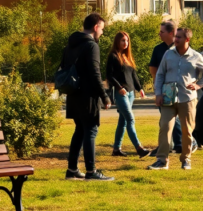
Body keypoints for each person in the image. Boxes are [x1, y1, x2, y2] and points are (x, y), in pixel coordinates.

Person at [148, 28, 203, 171]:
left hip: (187, 99)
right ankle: (162, 161)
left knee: (187, 130)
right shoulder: (168, 54)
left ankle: (186, 160)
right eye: (176, 36)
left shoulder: (195, 56)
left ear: (187, 39)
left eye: (179, 37)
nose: (176, 39)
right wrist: (158, 94)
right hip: (168, 98)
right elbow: (160, 75)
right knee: (165, 127)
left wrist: (198, 84)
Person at [64, 13, 114, 181]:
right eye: (102, 29)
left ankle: (72, 170)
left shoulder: (71, 44)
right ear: (95, 27)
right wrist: (105, 96)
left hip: (73, 94)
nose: (102, 32)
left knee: (80, 130)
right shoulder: (91, 46)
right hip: (88, 96)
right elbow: (95, 73)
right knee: (91, 130)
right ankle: (91, 172)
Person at [148, 20, 191, 156]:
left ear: (171, 32)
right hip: (165, 89)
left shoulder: (181, 47)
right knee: (166, 120)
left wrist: (197, 84)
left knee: (181, 120)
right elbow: (153, 69)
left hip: (182, 90)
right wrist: (158, 87)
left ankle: (183, 143)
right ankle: (169, 145)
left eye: (162, 32)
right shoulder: (159, 49)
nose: (159, 34)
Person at [106, 31, 150, 158]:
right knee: (130, 119)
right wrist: (119, 87)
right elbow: (109, 75)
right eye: (123, 40)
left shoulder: (127, 57)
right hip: (121, 94)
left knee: (123, 121)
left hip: (130, 94)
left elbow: (133, 75)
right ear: (117, 42)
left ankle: (116, 149)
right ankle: (139, 148)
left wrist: (139, 88)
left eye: (127, 40)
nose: (125, 43)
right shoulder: (113, 56)